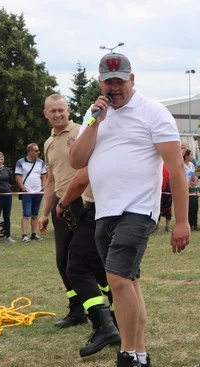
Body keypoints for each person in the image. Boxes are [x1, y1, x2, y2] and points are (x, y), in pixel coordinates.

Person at [70, 52, 190, 367]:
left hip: (139, 210)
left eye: (120, 81)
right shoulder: (95, 115)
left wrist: (182, 220)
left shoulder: (154, 112)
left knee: (117, 278)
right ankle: (140, 354)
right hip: (104, 210)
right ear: (100, 83)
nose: (115, 88)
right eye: (109, 82)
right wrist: (94, 121)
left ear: (132, 79)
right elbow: (76, 159)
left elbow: (177, 170)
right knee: (129, 283)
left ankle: (126, 356)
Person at [36, 93, 117, 347]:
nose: (58, 114)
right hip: (61, 208)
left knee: (89, 262)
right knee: (63, 261)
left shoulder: (83, 132)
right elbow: (50, 180)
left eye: (61, 110)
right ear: (45, 114)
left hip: (83, 204)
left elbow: (92, 169)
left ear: (68, 110)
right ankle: (76, 309)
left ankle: (114, 310)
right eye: (53, 111)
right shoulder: (48, 143)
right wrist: (44, 212)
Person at [15, 143, 47, 242]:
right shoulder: (20, 162)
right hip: (27, 192)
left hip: (38, 191)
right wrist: (23, 188)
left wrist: (43, 187)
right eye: (36, 151)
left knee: (35, 214)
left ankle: (34, 233)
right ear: (30, 151)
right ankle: (24, 235)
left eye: (38, 150)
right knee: (26, 213)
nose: (38, 152)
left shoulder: (41, 162)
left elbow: (44, 176)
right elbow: (18, 176)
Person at [183, 147, 200, 230]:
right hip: (185, 187)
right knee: (188, 207)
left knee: (195, 205)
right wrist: (188, 184)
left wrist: (195, 178)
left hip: (193, 187)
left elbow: (194, 174)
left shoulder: (192, 165)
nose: (192, 157)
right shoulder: (182, 166)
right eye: (190, 155)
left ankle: (194, 224)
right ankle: (188, 224)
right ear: (186, 156)